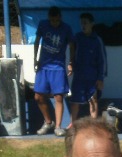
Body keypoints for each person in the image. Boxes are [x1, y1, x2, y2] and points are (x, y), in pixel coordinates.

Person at [33, 6, 74, 137]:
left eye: (57, 20)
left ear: (60, 18)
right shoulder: (43, 25)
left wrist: (71, 63)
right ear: (49, 18)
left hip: (58, 67)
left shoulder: (66, 28)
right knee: (38, 96)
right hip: (44, 66)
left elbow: (72, 45)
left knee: (58, 97)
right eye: (52, 20)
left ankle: (58, 127)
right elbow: (36, 42)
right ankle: (48, 122)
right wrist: (35, 59)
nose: (54, 23)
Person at [69, 13, 107, 123]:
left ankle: (93, 125)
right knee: (75, 102)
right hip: (79, 76)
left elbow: (102, 61)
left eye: (85, 23)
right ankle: (73, 124)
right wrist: (71, 63)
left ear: (92, 24)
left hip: (92, 77)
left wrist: (100, 78)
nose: (83, 25)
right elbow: (71, 47)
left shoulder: (97, 40)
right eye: (81, 23)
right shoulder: (77, 37)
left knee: (93, 101)